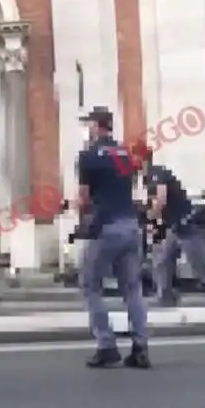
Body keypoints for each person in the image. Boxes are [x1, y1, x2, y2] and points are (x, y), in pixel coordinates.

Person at [76, 106, 150, 369]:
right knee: (132, 289)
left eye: (88, 125)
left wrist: (81, 220)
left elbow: (84, 198)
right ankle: (140, 347)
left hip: (106, 227)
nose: (87, 130)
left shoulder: (88, 156)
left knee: (89, 284)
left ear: (97, 126)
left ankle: (106, 346)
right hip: (130, 224)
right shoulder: (125, 154)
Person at [142, 153, 205, 307]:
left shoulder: (158, 172)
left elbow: (161, 198)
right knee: (162, 261)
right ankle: (166, 297)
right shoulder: (146, 179)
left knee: (198, 265)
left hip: (188, 226)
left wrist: (151, 215)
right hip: (175, 226)